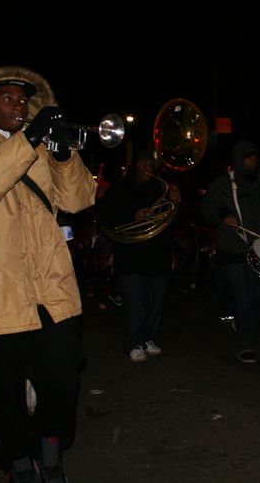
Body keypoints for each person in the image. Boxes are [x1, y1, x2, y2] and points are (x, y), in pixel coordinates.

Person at [0, 66, 96, 483]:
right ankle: (17, 463)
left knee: (63, 381)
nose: (17, 104)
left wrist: (63, 155)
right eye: (6, 97)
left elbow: (80, 201)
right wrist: (29, 140)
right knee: (5, 392)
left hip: (51, 290)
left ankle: (50, 454)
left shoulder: (44, 150)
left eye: (23, 99)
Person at [97, 151, 184, 363]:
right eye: (143, 163)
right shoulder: (119, 189)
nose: (148, 168)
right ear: (135, 165)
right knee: (134, 302)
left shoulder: (162, 189)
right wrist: (133, 215)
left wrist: (178, 203)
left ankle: (148, 339)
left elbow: (178, 222)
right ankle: (133, 343)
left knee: (156, 302)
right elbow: (105, 218)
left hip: (159, 254)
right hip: (131, 255)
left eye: (151, 165)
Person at [200, 141, 260, 363]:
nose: (253, 160)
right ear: (238, 159)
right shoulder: (223, 184)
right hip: (236, 251)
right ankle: (245, 346)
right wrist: (223, 214)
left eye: (255, 156)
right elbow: (205, 208)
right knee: (244, 299)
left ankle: (243, 323)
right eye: (248, 156)